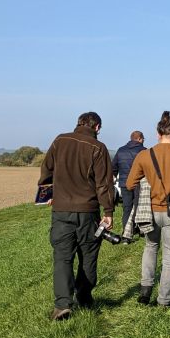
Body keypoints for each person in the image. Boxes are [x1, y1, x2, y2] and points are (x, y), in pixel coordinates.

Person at [38, 111, 116, 321]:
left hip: (61, 211)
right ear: (97, 127)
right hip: (88, 212)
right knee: (88, 255)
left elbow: (46, 170)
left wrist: (47, 193)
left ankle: (62, 304)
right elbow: (104, 184)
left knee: (62, 257)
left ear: (78, 123)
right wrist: (108, 212)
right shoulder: (98, 148)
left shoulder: (60, 140)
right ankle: (84, 296)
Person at [125, 111, 170, 307]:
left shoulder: (144, 155)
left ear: (158, 133)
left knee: (150, 248)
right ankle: (164, 299)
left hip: (150, 210)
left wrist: (147, 182)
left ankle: (145, 291)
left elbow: (130, 183)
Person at [112, 131, 146, 230]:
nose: (143, 141)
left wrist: (114, 178)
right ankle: (139, 229)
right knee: (139, 207)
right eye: (143, 139)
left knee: (127, 208)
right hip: (139, 183)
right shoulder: (144, 151)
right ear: (139, 138)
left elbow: (114, 167)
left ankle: (126, 231)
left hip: (124, 183)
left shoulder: (120, 150)